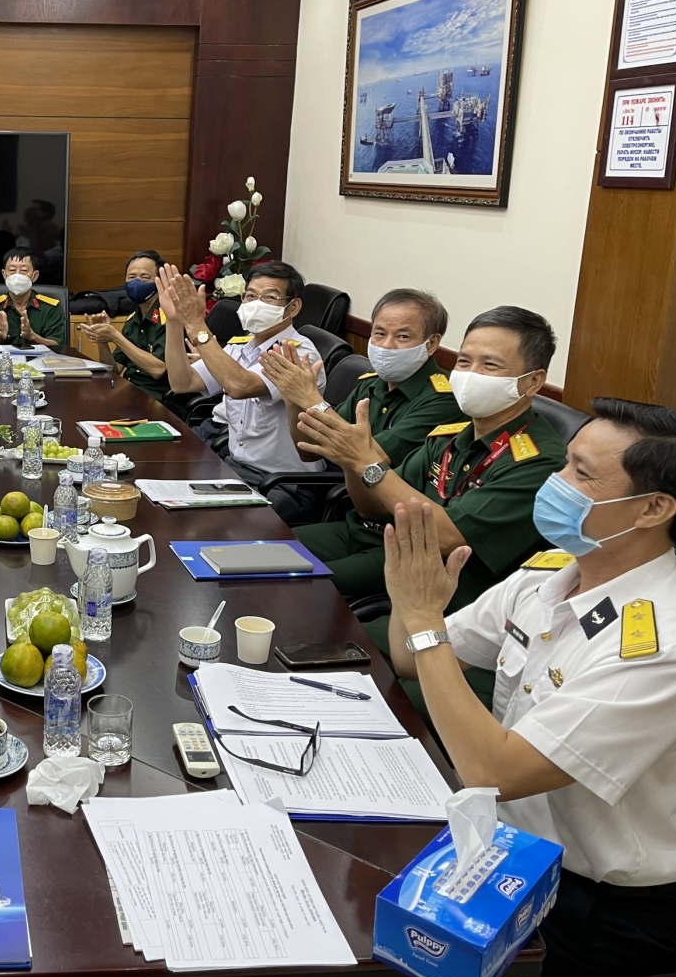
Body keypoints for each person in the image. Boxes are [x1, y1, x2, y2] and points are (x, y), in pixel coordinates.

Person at [380, 398, 676, 977]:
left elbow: (492, 769)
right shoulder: (552, 575)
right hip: (499, 847)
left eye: (582, 474)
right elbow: (410, 657)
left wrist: (423, 619)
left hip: (591, 910)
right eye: (566, 463)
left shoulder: (670, 646)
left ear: (653, 508)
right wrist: (414, 604)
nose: (556, 483)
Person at [294, 306, 567, 709]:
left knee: (366, 695)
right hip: (412, 599)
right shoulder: (451, 436)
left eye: (490, 365)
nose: (470, 374)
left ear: (533, 382)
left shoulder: (539, 462)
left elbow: (444, 536)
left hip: (470, 626)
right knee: (313, 650)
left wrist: (367, 463)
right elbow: (371, 508)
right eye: (465, 361)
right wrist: (353, 460)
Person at [258, 288, 464, 522]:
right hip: (338, 500)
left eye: (402, 337)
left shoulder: (443, 401)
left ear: (431, 343)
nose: (387, 345)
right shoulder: (372, 383)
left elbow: (364, 457)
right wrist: (293, 401)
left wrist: (310, 399)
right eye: (379, 333)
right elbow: (308, 451)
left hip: (385, 518)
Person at [157, 261, 327, 485]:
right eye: (250, 296)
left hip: (283, 482)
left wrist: (196, 324)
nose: (256, 304)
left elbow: (239, 386)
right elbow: (183, 382)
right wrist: (174, 321)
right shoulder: (240, 346)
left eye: (269, 297)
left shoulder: (298, 353)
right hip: (236, 468)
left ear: (293, 307)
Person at [75, 251, 170, 401]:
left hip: (158, 399)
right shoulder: (132, 319)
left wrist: (116, 337)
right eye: (131, 277)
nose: (136, 283)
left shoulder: (169, 319)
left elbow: (157, 369)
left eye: (144, 277)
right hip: (128, 391)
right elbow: (114, 370)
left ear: (160, 282)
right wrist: (102, 340)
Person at [0, 247, 67, 348]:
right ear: (4, 274)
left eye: (24, 270)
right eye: (12, 270)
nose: (17, 276)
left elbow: (58, 345)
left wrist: (33, 337)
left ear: (35, 276)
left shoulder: (50, 308)